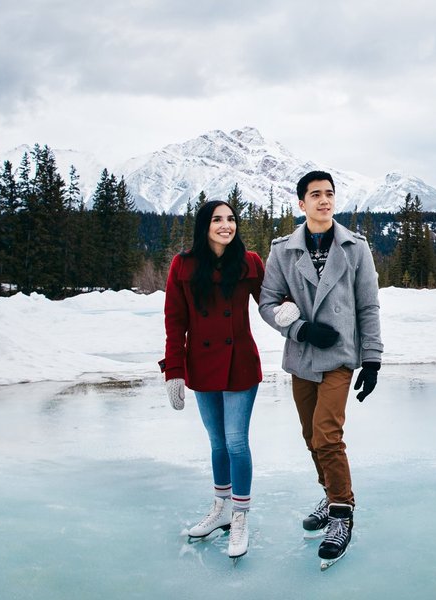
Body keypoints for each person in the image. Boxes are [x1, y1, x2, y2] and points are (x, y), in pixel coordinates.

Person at [160, 199, 299, 560]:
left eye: (232, 219)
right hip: (201, 364)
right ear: (204, 225)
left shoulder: (249, 261)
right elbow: (175, 322)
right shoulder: (183, 265)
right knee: (217, 442)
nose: (226, 225)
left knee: (236, 442)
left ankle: (239, 515)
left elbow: (269, 298)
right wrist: (173, 371)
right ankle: (220, 509)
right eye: (218, 219)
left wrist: (285, 306)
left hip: (239, 364)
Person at [258, 170, 383, 569]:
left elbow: (368, 305)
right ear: (301, 203)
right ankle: (331, 494)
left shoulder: (354, 247)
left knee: (327, 434)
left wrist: (373, 358)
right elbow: (266, 304)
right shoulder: (282, 250)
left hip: (341, 356)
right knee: (311, 436)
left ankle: (342, 514)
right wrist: (301, 329)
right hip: (302, 356)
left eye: (329, 194)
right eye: (315, 195)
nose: (324, 200)